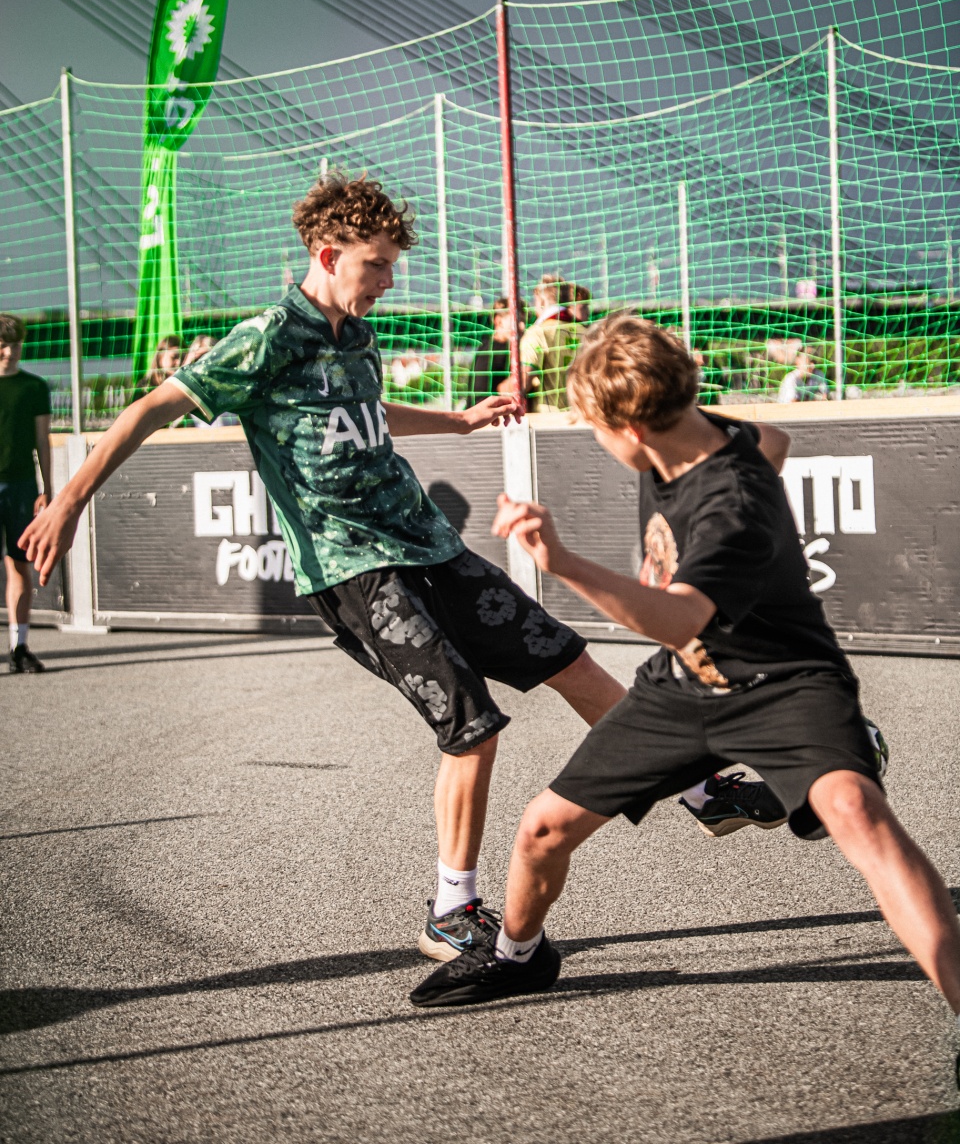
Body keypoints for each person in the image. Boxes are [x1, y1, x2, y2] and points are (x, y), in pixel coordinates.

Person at [20, 170, 630, 963]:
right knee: (471, 726)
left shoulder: (359, 336)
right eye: (376, 265)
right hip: (353, 569)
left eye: (392, 266)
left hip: (429, 546)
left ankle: (698, 784)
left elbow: (369, 412)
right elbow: (148, 409)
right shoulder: (268, 337)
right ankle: (452, 914)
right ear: (328, 253)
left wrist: (458, 420)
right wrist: (68, 502)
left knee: (567, 658)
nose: (388, 282)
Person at [410, 313, 960, 1090]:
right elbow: (774, 439)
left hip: (784, 683)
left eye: (597, 429)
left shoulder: (732, 504)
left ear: (632, 428)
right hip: (682, 688)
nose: (597, 440)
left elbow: (676, 619)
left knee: (856, 813)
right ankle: (519, 956)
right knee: (541, 830)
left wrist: (560, 560)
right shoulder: (692, 430)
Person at [0, 313, 52, 673]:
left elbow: (42, 441)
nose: (9, 352)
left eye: (15, 345)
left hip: (22, 487)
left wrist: (48, 488)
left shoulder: (34, 387)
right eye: (3, 345)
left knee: (19, 566)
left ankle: (19, 647)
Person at [519, 275, 581, 412]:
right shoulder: (587, 333)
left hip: (548, 417)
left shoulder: (537, 333)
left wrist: (502, 389)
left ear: (541, 301)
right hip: (581, 415)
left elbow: (523, 381)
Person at [469, 297, 523, 407]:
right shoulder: (493, 352)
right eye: (517, 321)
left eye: (523, 321)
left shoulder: (490, 347)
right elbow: (480, 397)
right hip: (489, 414)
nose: (522, 326)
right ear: (499, 321)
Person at [131, 336, 182, 401]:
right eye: (174, 357)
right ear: (160, 356)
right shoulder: (145, 387)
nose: (179, 362)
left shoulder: (182, 384)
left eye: (183, 357)